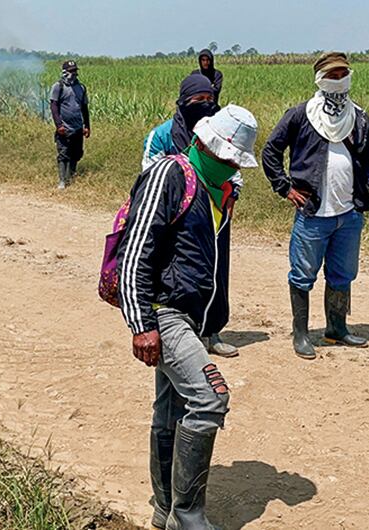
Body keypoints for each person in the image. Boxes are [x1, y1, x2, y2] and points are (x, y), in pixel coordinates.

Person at [118, 105, 258, 530]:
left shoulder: (216, 189)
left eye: (237, 162)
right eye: (229, 159)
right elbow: (134, 252)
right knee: (210, 398)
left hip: (190, 318)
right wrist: (142, 324)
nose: (234, 168)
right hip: (165, 313)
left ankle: (165, 512)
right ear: (206, 145)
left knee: (171, 412)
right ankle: (188, 515)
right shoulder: (170, 175)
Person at [262, 52, 369, 360]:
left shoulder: (360, 118)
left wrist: (359, 195)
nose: (338, 81)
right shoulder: (301, 115)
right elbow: (271, 150)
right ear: (319, 80)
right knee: (303, 274)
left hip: (348, 215)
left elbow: (368, 160)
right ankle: (300, 333)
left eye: (343, 74)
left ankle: (336, 327)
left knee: (343, 273)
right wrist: (285, 187)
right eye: (332, 76)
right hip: (313, 214)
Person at [140, 74, 242, 358]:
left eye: (210, 99)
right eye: (198, 100)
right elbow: (151, 173)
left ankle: (213, 331)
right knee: (180, 274)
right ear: (183, 101)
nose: (205, 105)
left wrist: (233, 194)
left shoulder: (218, 132)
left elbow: (234, 166)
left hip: (216, 216)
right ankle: (183, 332)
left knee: (217, 272)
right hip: (178, 221)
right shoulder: (162, 135)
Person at [50, 60, 90, 189]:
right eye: (71, 71)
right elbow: (54, 106)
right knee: (63, 153)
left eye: (75, 71)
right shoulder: (58, 87)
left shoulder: (81, 87)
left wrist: (87, 126)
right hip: (64, 128)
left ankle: (71, 176)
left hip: (78, 127)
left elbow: (84, 108)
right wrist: (59, 125)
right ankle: (62, 180)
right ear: (64, 72)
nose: (74, 74)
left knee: (77, 153)